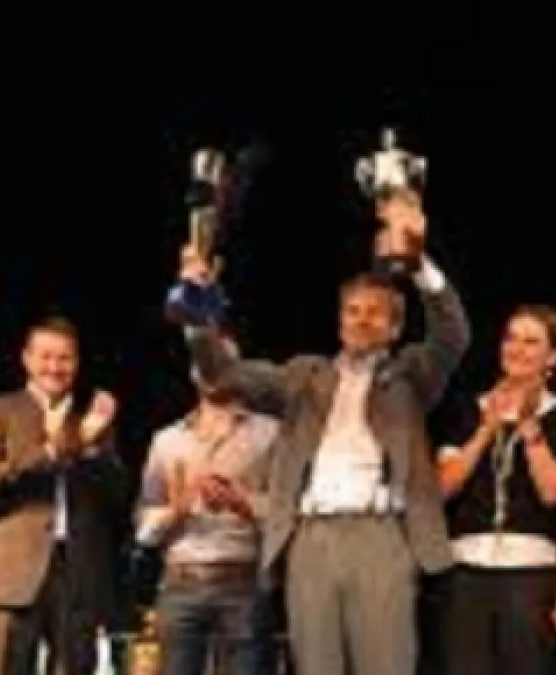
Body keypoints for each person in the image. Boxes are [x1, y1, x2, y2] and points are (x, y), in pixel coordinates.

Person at [180, 189, 470, 675]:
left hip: (381, 536)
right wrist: (198, 308)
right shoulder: (302, 376)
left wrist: (419, 264)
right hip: (310, 538)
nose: (362, 320)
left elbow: (452, 336)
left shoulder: (410, 376)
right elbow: (221, 374)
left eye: (375, 313)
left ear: (395, 328)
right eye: (352, 311)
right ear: (339, 322)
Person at [0, 317, 127, 675]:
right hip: (10, 575)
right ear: (26, 358)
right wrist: (53, 450)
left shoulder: (92, 420)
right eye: (45, 357)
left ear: (77, 363)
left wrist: (90, 450)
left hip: (78, 571)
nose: (54, 367)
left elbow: (116, 497)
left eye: (64, 358)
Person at [435, 304, 556, 675]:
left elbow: (552, 493)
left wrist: (530, 429)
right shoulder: (468, 410)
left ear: (553, 357)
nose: (517, 349)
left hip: (530, 571)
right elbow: (443, 487)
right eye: (511, 339)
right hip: (466, 567)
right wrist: (485, 429)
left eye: (531, 342)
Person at [136, 332, 280, 675]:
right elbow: (143, 529)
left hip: (244, 581)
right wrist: (176, 511)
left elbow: (287, 515)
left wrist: (243, 503)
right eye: (206, 360)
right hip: (180, 583)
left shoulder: (271, 434)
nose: (214, 369)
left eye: (224, 361)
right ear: (193, 371)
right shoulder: (167, 441)